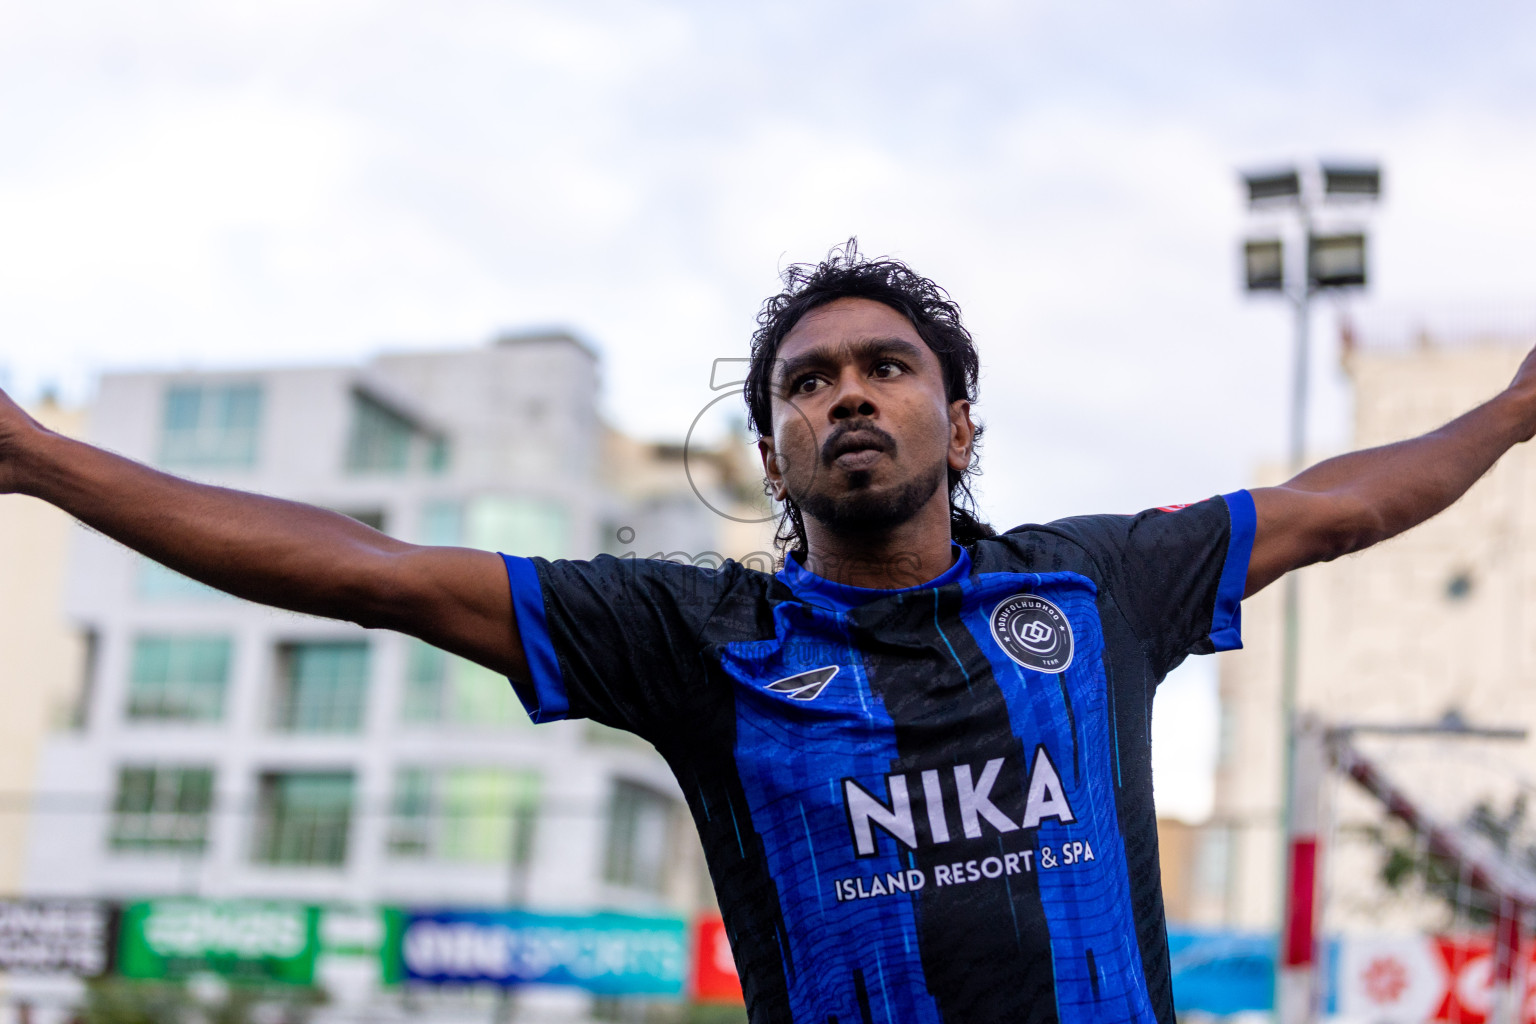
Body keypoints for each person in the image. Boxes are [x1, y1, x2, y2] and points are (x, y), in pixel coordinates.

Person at [2, 243, 1532, 1024]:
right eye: (807, 383)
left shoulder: (1094, 591)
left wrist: (1517, 410)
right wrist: (39, 457)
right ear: (771, 450)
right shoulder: (696, 639)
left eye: (886, 366)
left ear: (961, 423)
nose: (846, 392)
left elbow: (1338, 505)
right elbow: (371, 573)